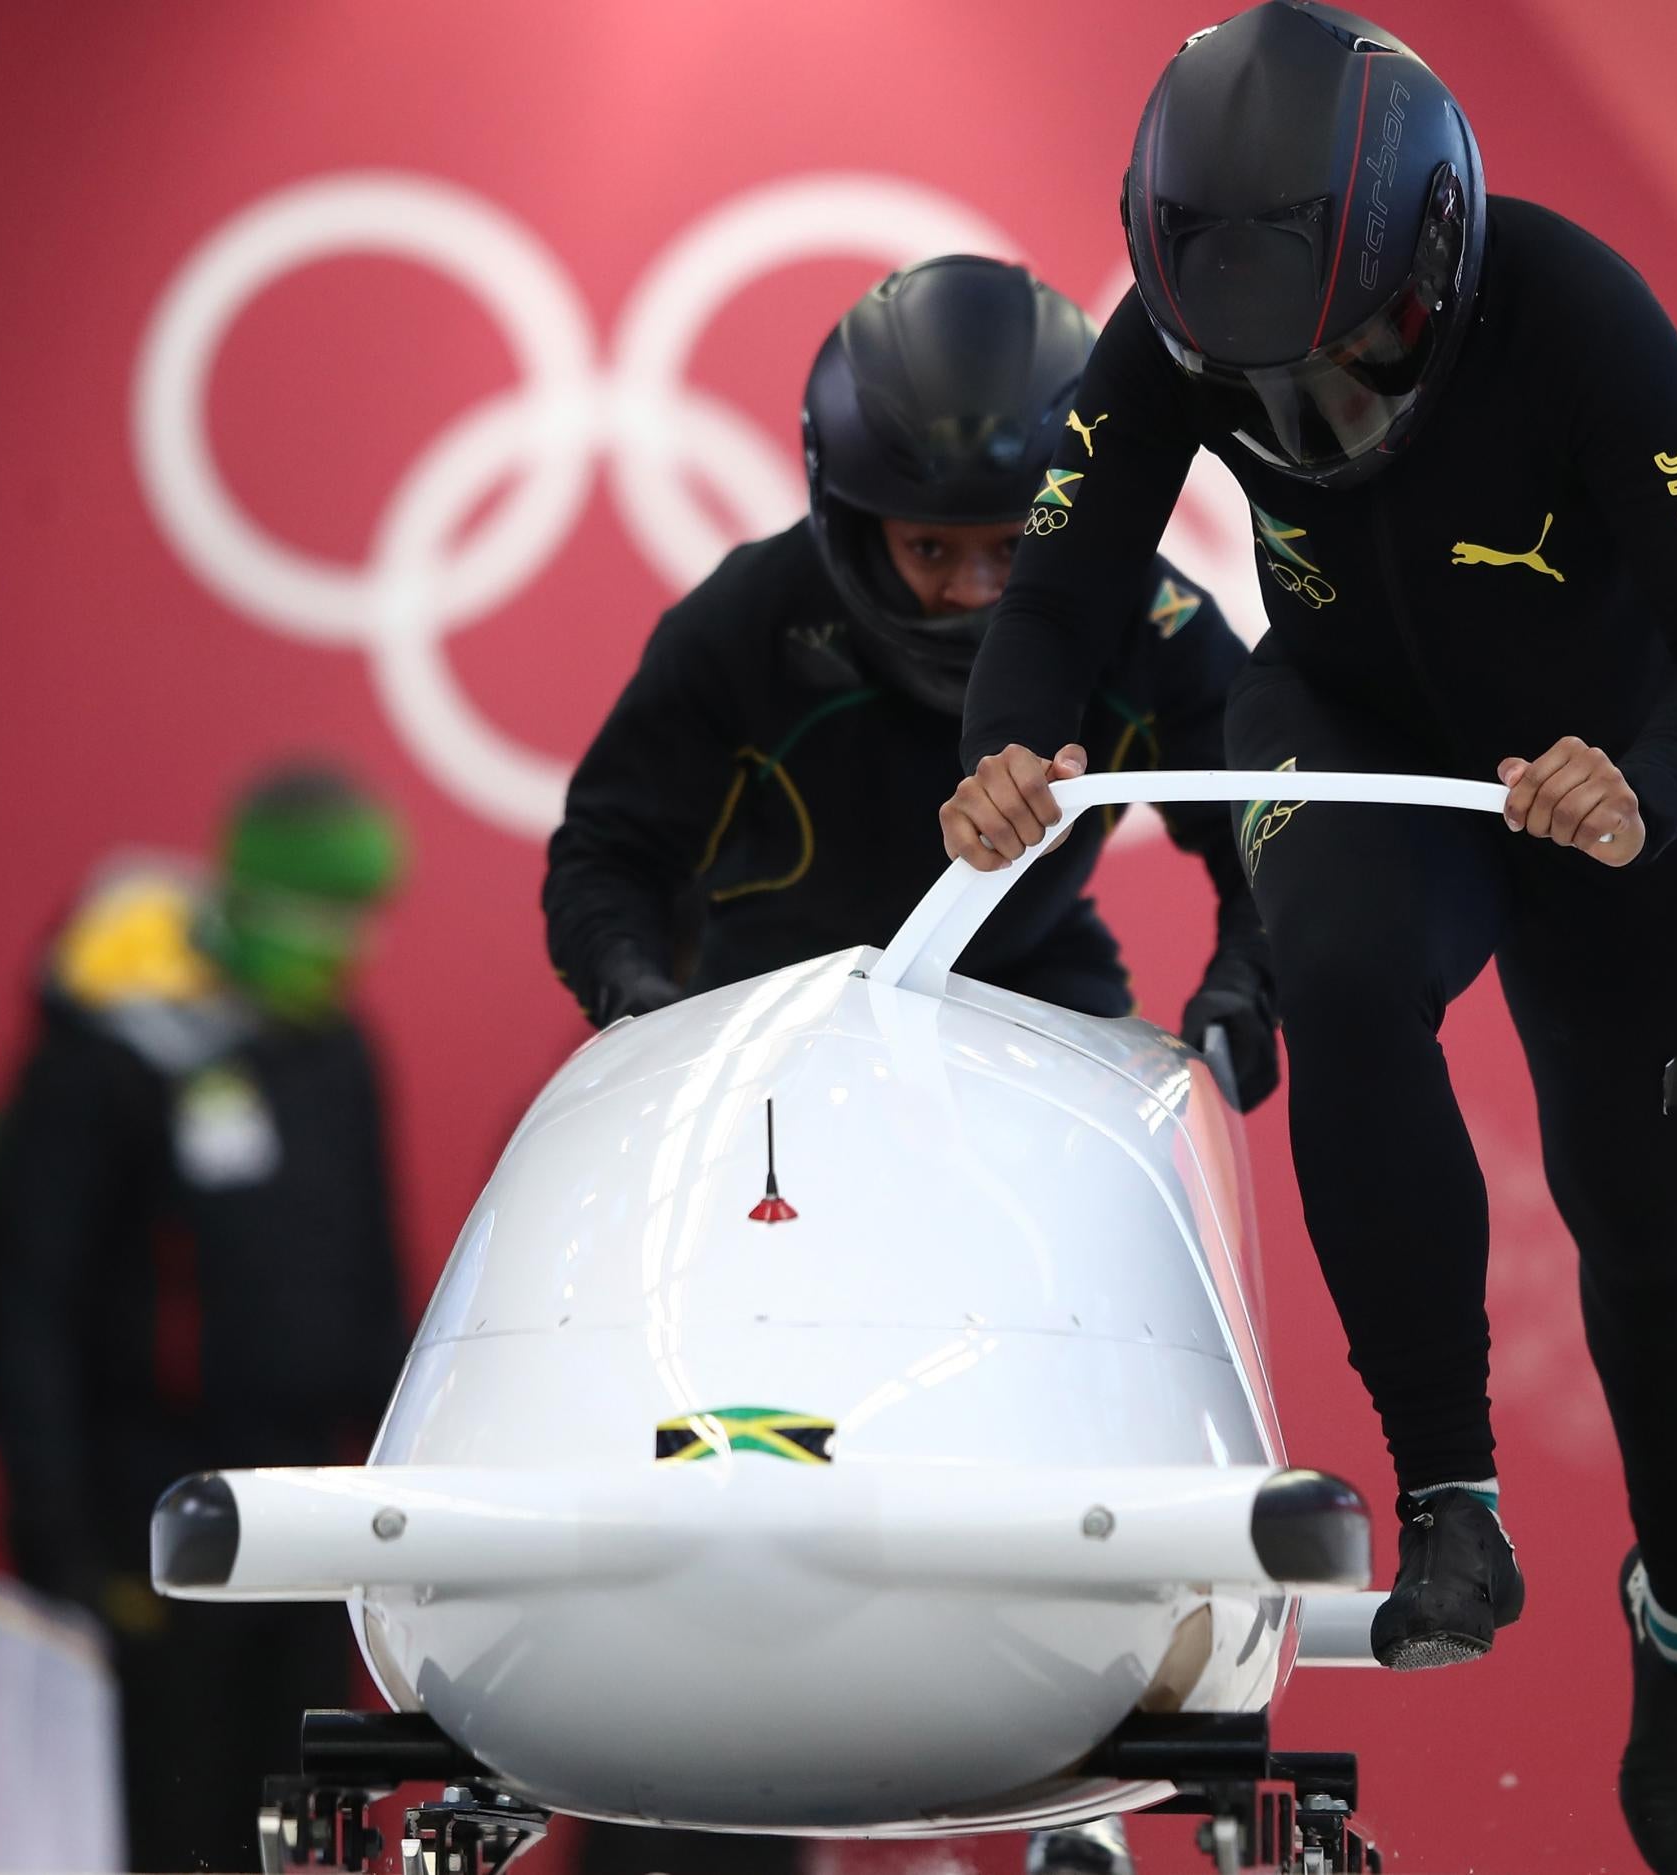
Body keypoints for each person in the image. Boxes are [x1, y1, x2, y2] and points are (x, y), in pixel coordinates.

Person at [941, 7, 1677, 1870]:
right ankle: (1450, 1497)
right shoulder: (1182, 343)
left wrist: (1643, 784)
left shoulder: (1579, 313)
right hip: (1351, 727)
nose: (1311, 415)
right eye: (1263, 390)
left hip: (1619, 786)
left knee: (1643, 1225)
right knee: (1331, 971)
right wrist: (1002, 754)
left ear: (1439, 256)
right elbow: (1066, 582)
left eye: (1357, 364)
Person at [544, 254, 1273, 1875]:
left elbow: (1268, 855)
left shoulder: (1153, 626)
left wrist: (1247, 987)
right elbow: (609, 851)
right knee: (742, 1423)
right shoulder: (749, 619)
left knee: (1123, 1184)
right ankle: (706, 1755)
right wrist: (640, 1011)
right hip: (765, 1052)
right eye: (927, 549)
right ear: (844, 515)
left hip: (1023, 1015)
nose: (961, 592)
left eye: (1010, 554)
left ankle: (1084, 1733)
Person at [0, 767, 413, 1872]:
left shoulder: (337, 1049)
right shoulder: (109, 1057)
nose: (343, 946)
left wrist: (404, 1484)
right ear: (249, 898)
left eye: (359, 920)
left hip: (308, 1518)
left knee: (289, 1835)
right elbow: (25, 1304)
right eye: (320, 915)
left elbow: (369, 1279)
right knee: (158, 1829)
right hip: (149, 1518)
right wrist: (62, 1532)